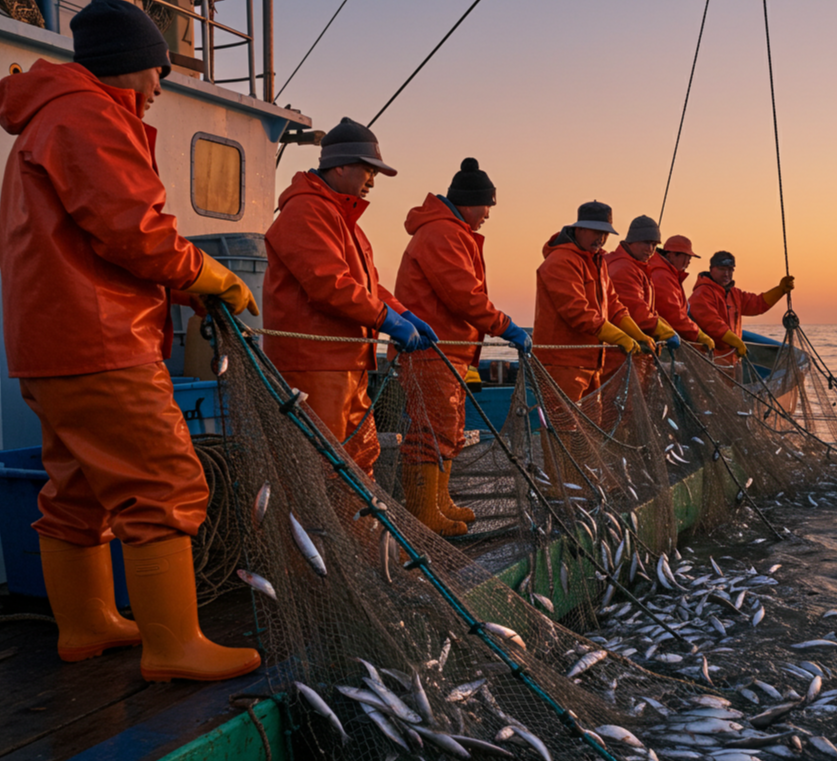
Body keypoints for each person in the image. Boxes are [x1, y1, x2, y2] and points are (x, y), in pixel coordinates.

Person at [0, 0, 260, 681]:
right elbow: (134, 232)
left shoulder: (46, 119)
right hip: (103, 341)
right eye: (156, 71)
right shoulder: (89, 114)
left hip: (52, 346)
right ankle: (174, 646)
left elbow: (91, 240)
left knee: (78, 485)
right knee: (163, 481)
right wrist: (210, 274)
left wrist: (186, 285)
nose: (156, 87)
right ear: (132, 65)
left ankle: (84, 625)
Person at [264, 118, 438, 476]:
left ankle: (355, 533)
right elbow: (329, 286)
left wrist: (403, 314)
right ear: (340, 167)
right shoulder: (306, 210)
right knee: (318, 467)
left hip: (348, 364)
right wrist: (388, 321)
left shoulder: (341, 218)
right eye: (368, 171)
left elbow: (367, 286)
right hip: (316, 366)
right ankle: (318, 533)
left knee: (359, 461)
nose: (372, 181)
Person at [394, 158, 530, 536]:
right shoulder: (442, 233)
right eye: (487, 205)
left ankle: (439, 503)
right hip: (430, 352)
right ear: (470, 202)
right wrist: (506, 327)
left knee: (447, 430)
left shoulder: (452, 231)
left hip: (450, 352)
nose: (488, 213)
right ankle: (423, 514)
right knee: (429, 432)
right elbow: (463, 296)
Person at [534, 202, 655, 402]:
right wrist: (620, 337)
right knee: (565, 427)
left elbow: (614, 305)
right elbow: (577, 312)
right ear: (579, 229)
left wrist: (636, 333)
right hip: (562, 364)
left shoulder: (598, 262)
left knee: (592, 425)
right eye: (596, 231)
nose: (601, 238)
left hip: (593, 363)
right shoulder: (560, 261)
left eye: (606, 233)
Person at [601, 215, 682, 382]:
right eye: (646, 242)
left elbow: (649, 310)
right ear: (632, 241)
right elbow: (636, 311)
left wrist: (664, 327)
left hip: (636, 354)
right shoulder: (624, 268)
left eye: (654, 244)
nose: (650, 249)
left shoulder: (637, 266)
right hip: (620, 358)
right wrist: (665, 331)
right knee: (625, 407)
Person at [688, 251, 794, 367]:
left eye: (730, 270)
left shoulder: (734, 294)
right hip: (707, 361)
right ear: (711, 269)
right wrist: (737, 343)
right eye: (722, 269)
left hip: (732, 360)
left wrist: (780, 290)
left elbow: (757, 304)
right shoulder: (702, 294)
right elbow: (713, 325)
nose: (726, 274)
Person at [648, 234, 716, 352]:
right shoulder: (662, 275)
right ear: (672, 254)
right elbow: (673, 315)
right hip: (661, 343)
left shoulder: (667, 273)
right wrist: (698, 334)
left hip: (662, 341)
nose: (689, 261)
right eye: (687, 256)